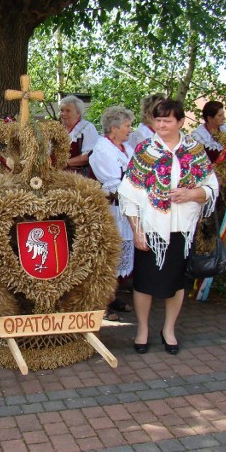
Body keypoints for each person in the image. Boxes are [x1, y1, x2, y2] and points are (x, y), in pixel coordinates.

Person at [118, 99, 219, 355]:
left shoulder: (194, 150)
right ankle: (142, 329)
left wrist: (192, 193)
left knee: (176, 283)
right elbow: (128, 193)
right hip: (150, 229)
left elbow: (211, 187)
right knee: (144, 283)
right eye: (158, 120)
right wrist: (137, 230)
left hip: (181, 230)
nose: (161, 124)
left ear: (181, 122)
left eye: (167, 120)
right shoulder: (145, 150)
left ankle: (169, 329)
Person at [89, 106, 135, 321]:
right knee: (107, 258)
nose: (130, 129)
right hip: (112, 210)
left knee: (119, 258)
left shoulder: (126, 147)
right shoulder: (103, 149)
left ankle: (111, 296)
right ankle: (100, 304)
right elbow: (113, 185)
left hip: (128, 210)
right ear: (114, 128)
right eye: (127, 126)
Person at [59, 95, 100, 176]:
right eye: (62, 110)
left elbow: (89, 156)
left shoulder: (87, 128)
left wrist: (66, 163)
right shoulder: (58, 130)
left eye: (68, 111)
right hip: (58, 174)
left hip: (80, 177)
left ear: (78, 114)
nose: (63, 114)